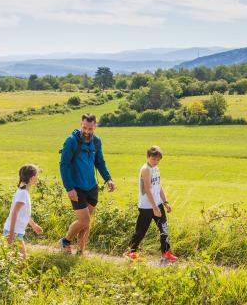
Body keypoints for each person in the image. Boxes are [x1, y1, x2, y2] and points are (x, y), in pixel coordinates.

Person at [59, 113, 115, 255]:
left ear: (95, 126)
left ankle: (80, 252)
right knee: (84, 220)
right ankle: (65, 241)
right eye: (84, 127)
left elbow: (100, 162)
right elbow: (64, 165)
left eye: (90, 128)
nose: (87, 131)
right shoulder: (71, 141)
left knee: (86, 223)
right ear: (81, 125)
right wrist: (69, 188)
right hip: (77, 187)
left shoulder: (96, 141)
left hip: (92, 187)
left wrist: (108, 179)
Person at [125, 146, 178, 263]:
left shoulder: (156, 169)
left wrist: (165, 202)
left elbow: (158, 186)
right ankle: (131, 252)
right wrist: (154, 208)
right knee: (141, 231)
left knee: (164, 229)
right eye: (154, 159)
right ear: (148, 157)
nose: (156, 161)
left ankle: (166, 253)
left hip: (157, 204)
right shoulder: (145, 169)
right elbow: (148, 190)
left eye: (158, 159)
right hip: (146, 206)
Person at [3, 164, 43, 258]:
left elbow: (24, 214)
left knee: (15, 260)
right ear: (32, 177)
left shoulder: (23, 192)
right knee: (22, 261)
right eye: (37, 175)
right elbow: (14, 214)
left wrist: (34, 225)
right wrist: (11, 235)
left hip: (15, 231)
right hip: (13, 232)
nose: (38, 178)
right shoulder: (23, 194)